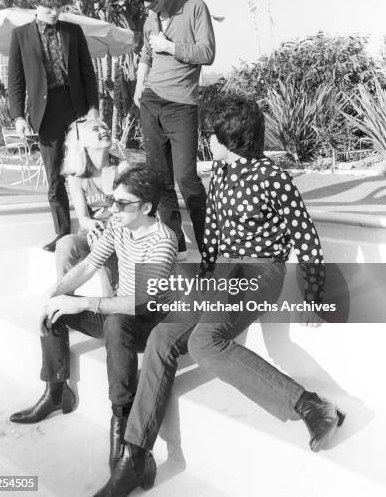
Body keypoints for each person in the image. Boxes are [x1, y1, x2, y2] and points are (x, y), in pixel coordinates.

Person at [105, 93, 345, 496]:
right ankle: (135, 457)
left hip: (259, 271)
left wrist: (315, 295)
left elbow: (306, 237)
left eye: (212, 135)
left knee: (204, 342)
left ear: (229, 138)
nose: (207, 141)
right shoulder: (221, 175)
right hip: (220, 274)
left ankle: (310, 405)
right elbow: (212, 234)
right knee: (164, 336)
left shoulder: (273, 178)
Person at [9, 165, 178, 496]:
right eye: (113, 201)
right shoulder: (119, 224)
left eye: (122, 203)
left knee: (114, 319)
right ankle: (56, 392)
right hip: (118, 312)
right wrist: (54, 293)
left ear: (146, 207)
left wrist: (84, 304)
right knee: (56, 309)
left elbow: (139, 302)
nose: (113, 209)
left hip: (147, 323)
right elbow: (89, 264)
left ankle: (121, 422)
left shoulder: (163, 241)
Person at [124, 0, 216, 259]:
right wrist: (140, 82)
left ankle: (209, 252)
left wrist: (171, 48)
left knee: (187, 180)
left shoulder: (195, 7)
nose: (148, 5)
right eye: (143, 1)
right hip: (151, 102)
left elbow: (207, 53)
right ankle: (175, 252)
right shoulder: (152, 16)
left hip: (182, 106)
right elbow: (146, 54)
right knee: (160, 182)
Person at [8, 0, 99, 253]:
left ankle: (93, 228)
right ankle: (62, 234)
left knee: (87, 168)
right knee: (55, 174)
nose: (55, 13)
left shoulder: (74, 32)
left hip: (77, 107)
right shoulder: (20, 36)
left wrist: (93, 108)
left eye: (59, 7)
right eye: (49, 8)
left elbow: (87, 73)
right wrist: (19, 117)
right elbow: (16, 81)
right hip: (45, 112)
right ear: (36, 3)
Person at [56, 116, 125, 296]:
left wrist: (108, 231)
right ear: (84, 143)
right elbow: (84, 218)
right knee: (65, 244)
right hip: (91, 234)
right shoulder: (77, 176)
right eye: (96, 129)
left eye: (105, 126)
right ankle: (62, 298)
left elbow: (132, 210)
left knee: (103, 239)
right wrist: (92, 225)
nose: (104, 130)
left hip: (119, 234)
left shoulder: (122, 169)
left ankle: (112, 299)